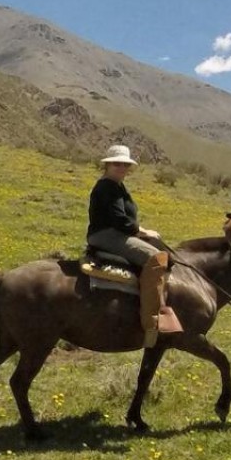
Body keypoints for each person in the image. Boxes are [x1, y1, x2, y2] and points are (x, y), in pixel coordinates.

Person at [86, 144, 182, 347]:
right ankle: (151, 322)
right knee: (155, 259)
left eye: (125, 165)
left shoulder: (117, 185)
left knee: (161, 251)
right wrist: (143, 231)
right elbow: (119, 219)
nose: (121, 168)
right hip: (106, 235)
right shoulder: (107, 186)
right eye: (117, 164)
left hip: (115, 233)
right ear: (108, 165)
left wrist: (142, 231)